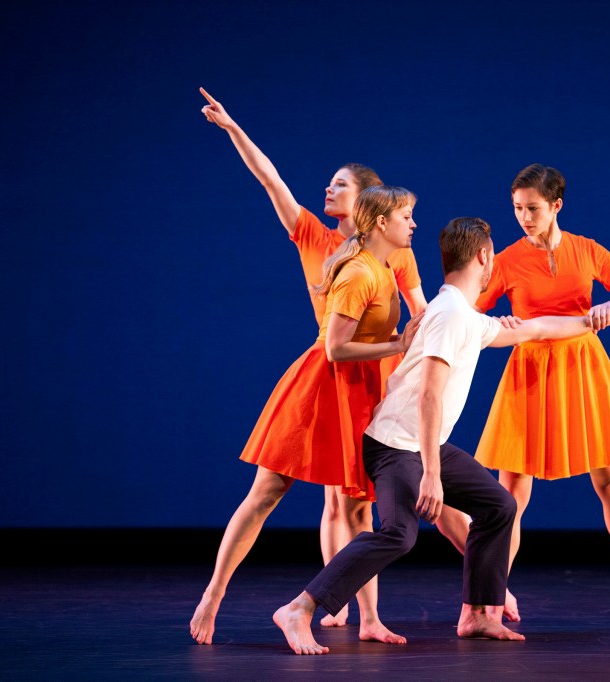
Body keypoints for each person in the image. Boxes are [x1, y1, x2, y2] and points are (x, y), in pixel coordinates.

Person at [271, 216, 610, 654]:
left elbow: (537, 329)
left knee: (499, 506)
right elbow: (429, 395)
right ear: (485, 258)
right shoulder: (451, 316)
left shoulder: (462, 314)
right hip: (396, 446)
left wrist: (605, 317)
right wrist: (432, 473)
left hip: (422, 444)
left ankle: (476, 613)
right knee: (400, 533)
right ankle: (300, 608)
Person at [190, 88, 436, 645]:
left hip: (373, 382)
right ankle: (214, 593)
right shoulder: (313, 235)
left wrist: (429, 357)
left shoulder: (395, 248)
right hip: (325, 376)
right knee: (268, 489)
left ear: (368, 201)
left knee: (356, 505)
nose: (328, 188)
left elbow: (420, 314)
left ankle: (368, 617)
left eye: (340, 183)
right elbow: (270, 178)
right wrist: (233, 129)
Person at [473, 163, 610, 631]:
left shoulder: (586, 251)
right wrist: (494, 324)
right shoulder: (506, 261)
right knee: (512, 496)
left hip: (583, 370)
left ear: (556, 206)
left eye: (533, 208)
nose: (524, 217)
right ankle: (491, 594)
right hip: (529, 372)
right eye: (518, 209)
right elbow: (465, 310)